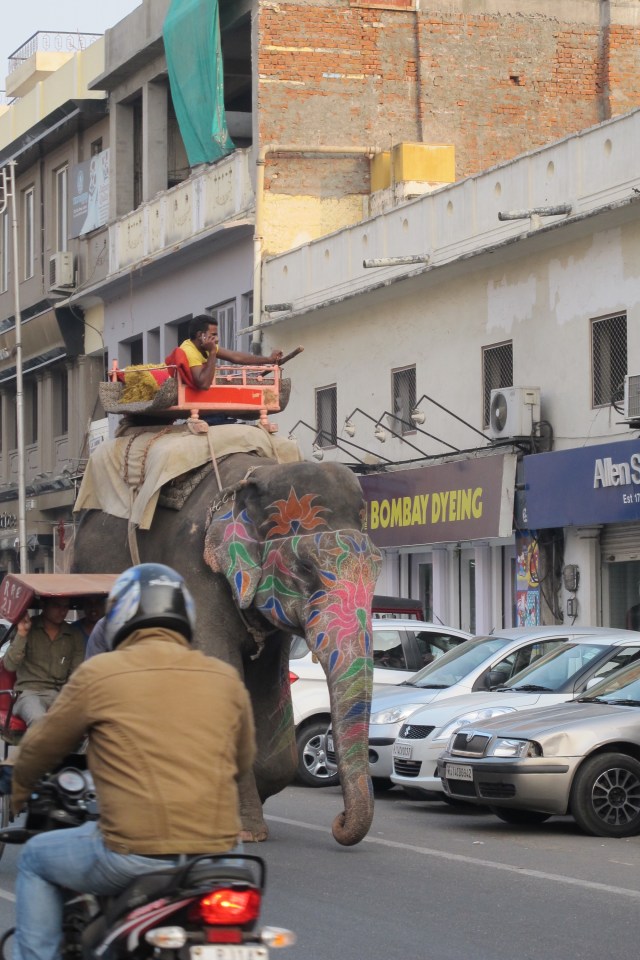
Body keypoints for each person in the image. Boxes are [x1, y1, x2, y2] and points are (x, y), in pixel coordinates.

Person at [10, 563, 256, 960]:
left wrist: (20, 789)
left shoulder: (100, 672)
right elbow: (242, 763)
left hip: (134, 852)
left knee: (35, 859)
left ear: (121, 615)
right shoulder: (225, 677)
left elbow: (40, 747)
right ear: (186, 614)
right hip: (222, 853)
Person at [3, 598, 86, 727]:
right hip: (29, 693)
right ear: (43, 605)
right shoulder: (27, 628)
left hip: (59, 695)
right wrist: (22, 633)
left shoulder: (74, 635)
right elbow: (9, 665)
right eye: (57, 606)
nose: (62, 611)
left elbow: (76, 675)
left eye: (66, 607)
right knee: (39, 721)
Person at [167, 314, 283, 391]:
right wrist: (213, 352)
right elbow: (204, 384)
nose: (217, 339)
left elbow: (236, 357)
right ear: (200, 335)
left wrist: (269, 359)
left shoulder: (206, 346)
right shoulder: (189, 351)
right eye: (213, 335)